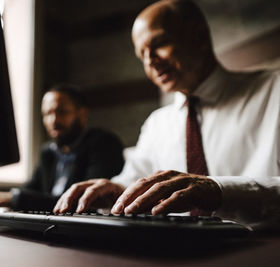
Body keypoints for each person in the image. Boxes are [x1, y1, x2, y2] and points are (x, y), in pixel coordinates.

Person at [53, 0, 280, 228]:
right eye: (142, 55)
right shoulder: (157, 123)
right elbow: (133, 178)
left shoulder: (275, 91)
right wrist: (116, 191)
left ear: (199, 36)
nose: (150, 61)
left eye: (159, 43)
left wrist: (220, 191)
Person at [0, 84, 124, 213]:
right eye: (47, 113)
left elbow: (87, 201)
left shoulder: (104, 144)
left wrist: (14, 198)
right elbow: (31, 190)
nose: (53, 120)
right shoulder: (48, 152)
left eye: (61, 112)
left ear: (82, 114)